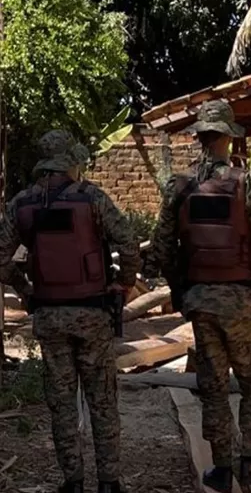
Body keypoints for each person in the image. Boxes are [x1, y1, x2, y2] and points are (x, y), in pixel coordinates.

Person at [143, 100, 251, 492]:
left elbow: (162, 248)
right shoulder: (244, 182)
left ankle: (221, 468)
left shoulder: (180, 185)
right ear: (227, 138)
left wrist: (181, 289)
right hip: (241, 302)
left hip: (201, 303)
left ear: (201, 137)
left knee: (214, 385)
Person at [0, 131, 140, 493]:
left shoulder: (22, 204)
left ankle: (73, 482)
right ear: (70, 162)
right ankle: (109, 483)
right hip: (93, 313)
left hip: (48, 316)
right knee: (102, 401)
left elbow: (0, 257)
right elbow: (127, 241)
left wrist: (24, 289)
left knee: (62, 404)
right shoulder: (91, 197)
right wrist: (123, 284)